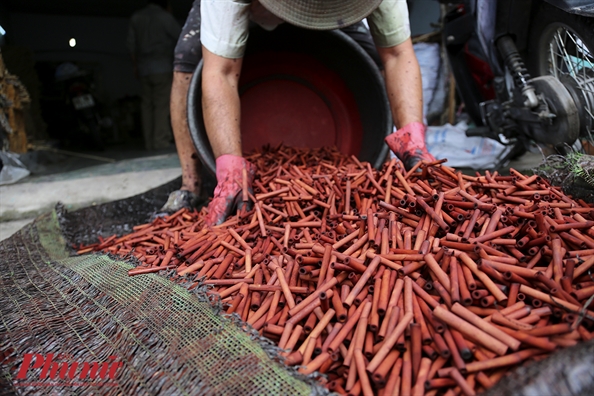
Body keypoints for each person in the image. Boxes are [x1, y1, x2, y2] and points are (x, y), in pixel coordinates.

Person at [162, 0, 435, 225]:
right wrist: (230, 167)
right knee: (187, 57)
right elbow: (221, 72)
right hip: (255, 8)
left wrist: (412, 137)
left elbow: (398, 55)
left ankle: (386, 172)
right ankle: (191, 185)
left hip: (339, 12)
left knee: (372, 57)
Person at [127, 0, 181, 150]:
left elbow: (131, 44)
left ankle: (149, 142)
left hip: (144, 67)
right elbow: (181, 37)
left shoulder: (136, 17)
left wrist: (135, 66)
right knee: (162, 104)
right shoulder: (164, 17)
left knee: (147, 105)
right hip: (161, 65)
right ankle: (160, 141)